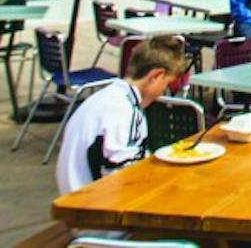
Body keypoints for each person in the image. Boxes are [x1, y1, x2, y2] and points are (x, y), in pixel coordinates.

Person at [56, 37, 191, 194]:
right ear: (155, 76)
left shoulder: (105, 97)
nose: (163, 92)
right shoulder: (124, 110)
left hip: (73, 194)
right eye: (167, 84)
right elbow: (125, 179)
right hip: (89, 204)